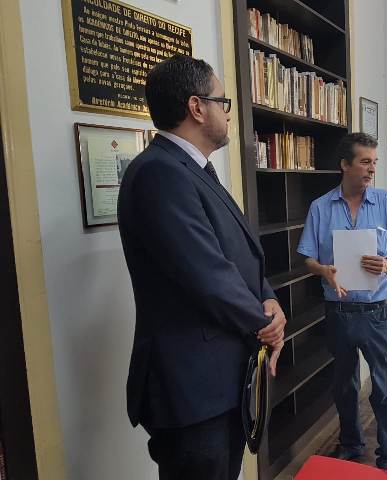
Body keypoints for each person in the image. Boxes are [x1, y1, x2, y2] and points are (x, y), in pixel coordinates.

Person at [117, 54, 286, 480]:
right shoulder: (159, 173)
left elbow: (237, 256)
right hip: (192, 388)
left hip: (219, 379)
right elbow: (207, 275)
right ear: (197, 107)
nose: (227, 114)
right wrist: (265, 324)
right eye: (222, 102)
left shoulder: (191, 170)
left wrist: (267, 297)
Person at [297, 132, 387, 471]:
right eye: (365, 162)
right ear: (345, 165)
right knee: (344, 385)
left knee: (385, 388)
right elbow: (308, 258)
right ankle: (350, 443)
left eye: (375, 162)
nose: (372, 169)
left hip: (378, 313)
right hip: (339, 312)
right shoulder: (320, 207)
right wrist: (323, 270)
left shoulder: (385, 202)